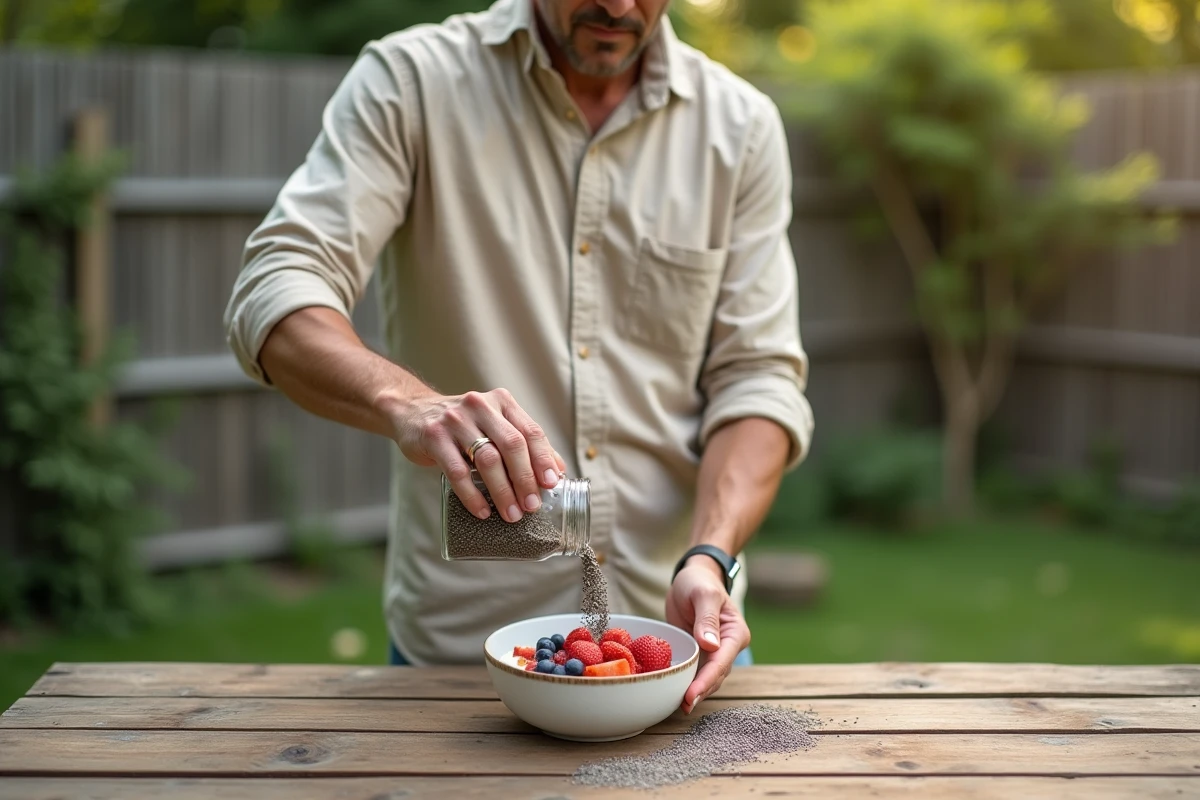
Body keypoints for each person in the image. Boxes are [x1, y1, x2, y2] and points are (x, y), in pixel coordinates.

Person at [224, 0, 813, 714]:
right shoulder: (412, 82)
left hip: (682, 643)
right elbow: (277, 286)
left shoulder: (739, 127)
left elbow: (758, 378)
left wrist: (709, 555)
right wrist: (410, 404)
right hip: (459, 664)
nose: (620, 6)